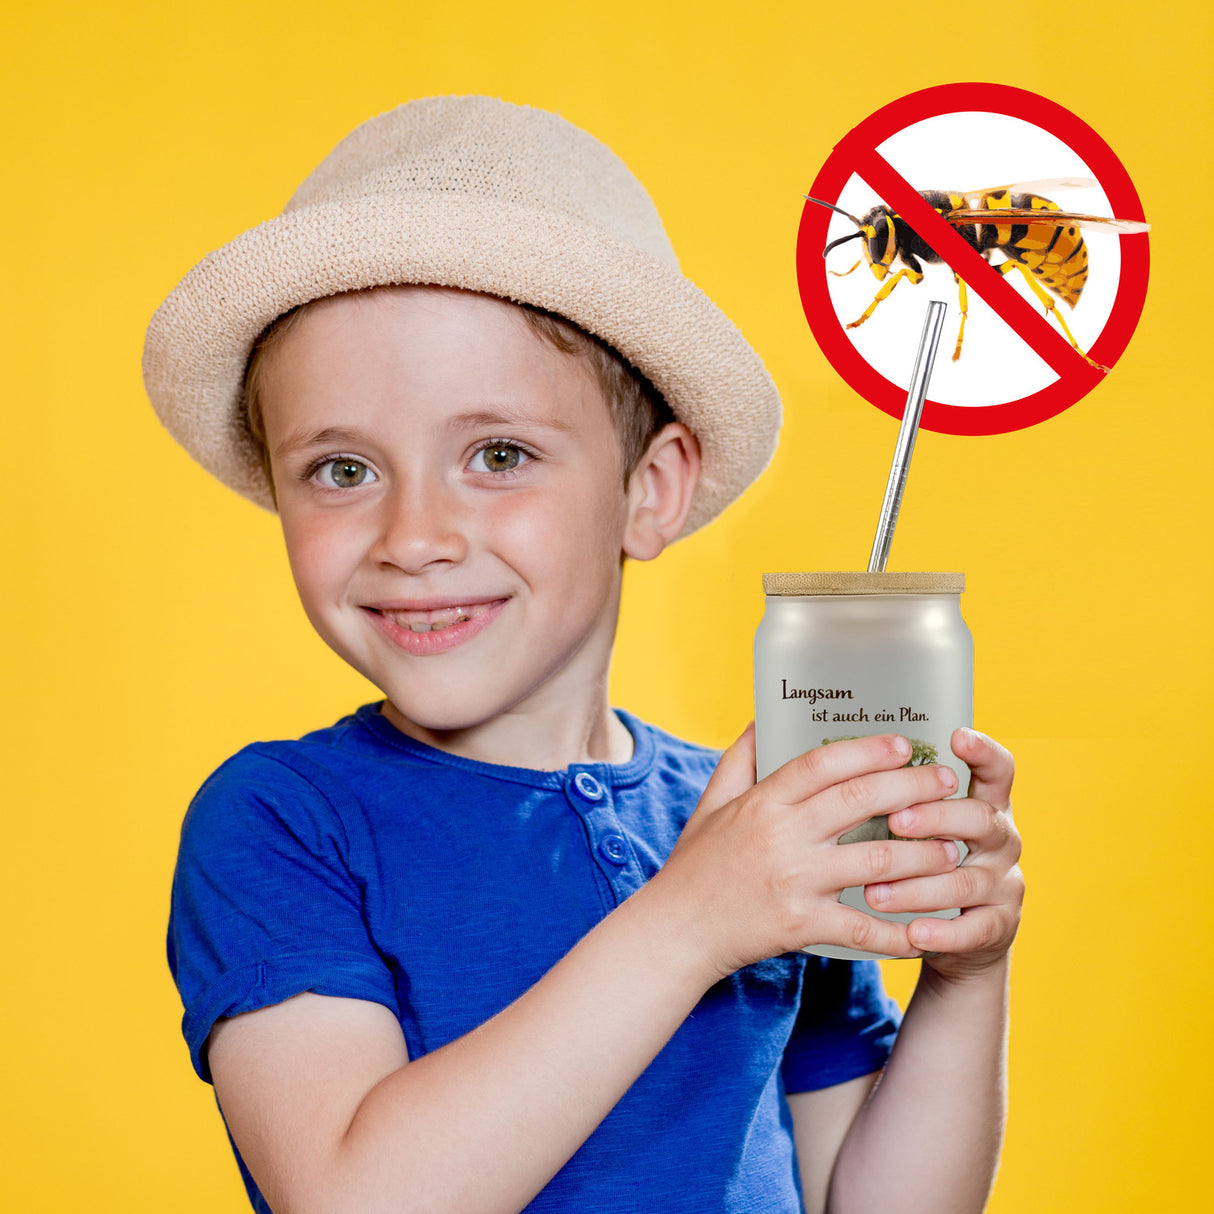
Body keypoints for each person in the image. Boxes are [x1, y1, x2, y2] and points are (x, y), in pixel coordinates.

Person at [146, 96, 1023, 1214]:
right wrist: (694, 918)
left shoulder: (744, 827)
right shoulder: (281, 819)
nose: (413, 536)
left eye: (497, 452)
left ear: (646, 490)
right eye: (342, 470)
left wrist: (962, 971)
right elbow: (354, 1196)